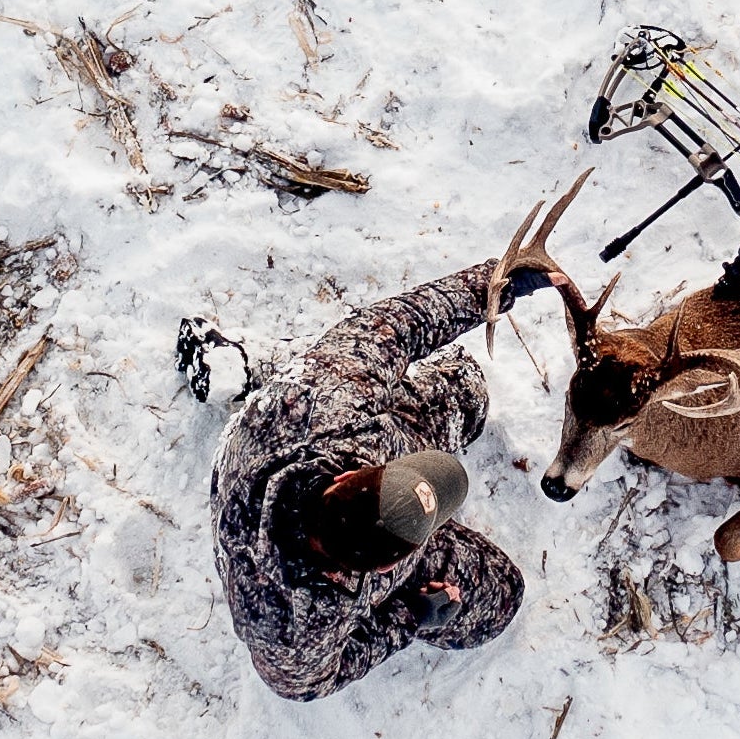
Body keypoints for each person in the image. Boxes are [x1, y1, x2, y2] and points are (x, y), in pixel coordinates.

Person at [193, 260, 540, 702]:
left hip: (294, 428)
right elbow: (304, 684)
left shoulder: (323, 404)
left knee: (465, 389)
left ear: (345, 477)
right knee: (500, 597)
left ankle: (263, 368)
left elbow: (391, 328)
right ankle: (257, 367)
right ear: (385, 571)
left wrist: (497, 286)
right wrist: (409, 615)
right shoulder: (293, 624)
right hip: (283, 470)